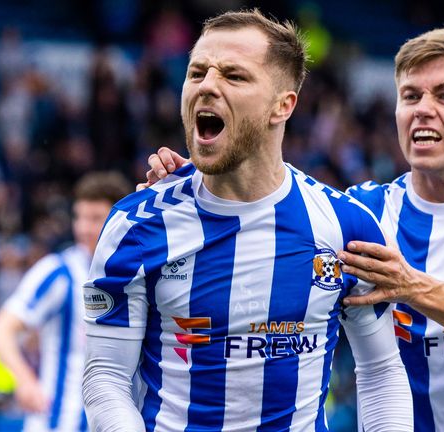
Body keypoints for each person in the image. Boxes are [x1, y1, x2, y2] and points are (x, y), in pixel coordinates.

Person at [145, 23, 444, 432]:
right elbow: (265, 222)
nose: (423, 110)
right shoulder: (362, 212)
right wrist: (211, 182)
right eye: (411, 96)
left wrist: (411, 286)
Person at [82, 10, 412, 432]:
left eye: (234, 76)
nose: (207, 86)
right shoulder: (136, 226)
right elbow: (106, 378)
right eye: (197, 71)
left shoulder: (345, 226)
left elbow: (382, 372)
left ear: (283, 105)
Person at [0, 171, 130, 432]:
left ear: (119, 221)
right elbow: (1, 329)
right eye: (79, 217)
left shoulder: (137, 276)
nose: (83, 228)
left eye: (95, 218)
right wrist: (25, 381)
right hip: (58, 423)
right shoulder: (58, 271)